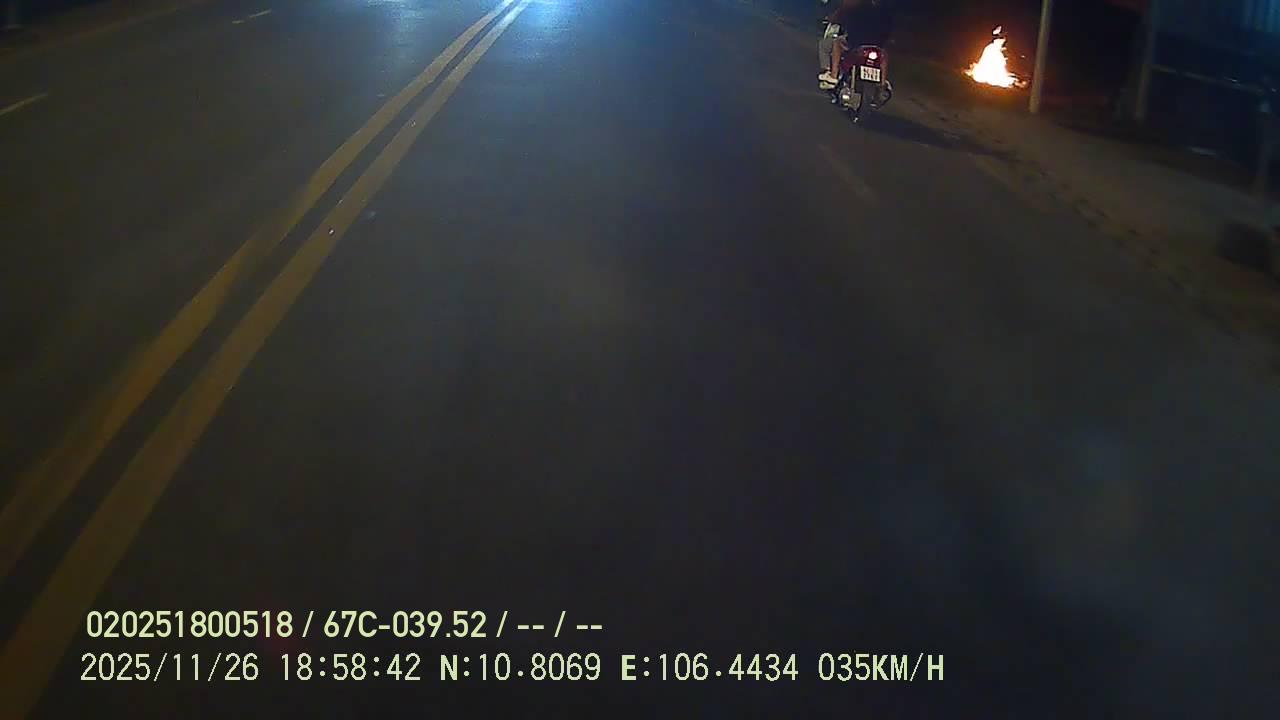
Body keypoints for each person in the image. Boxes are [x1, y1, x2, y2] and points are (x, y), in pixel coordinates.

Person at [819, 0, 895, 89]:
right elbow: (888, 29)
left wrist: (833, 19)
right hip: (877, 44)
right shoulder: (884, 10)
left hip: (857, 42)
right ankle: (882, 83)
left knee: (837, 43)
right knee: (884, 55)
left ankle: (833, 75)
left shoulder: (857, 6)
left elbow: (843, 17)